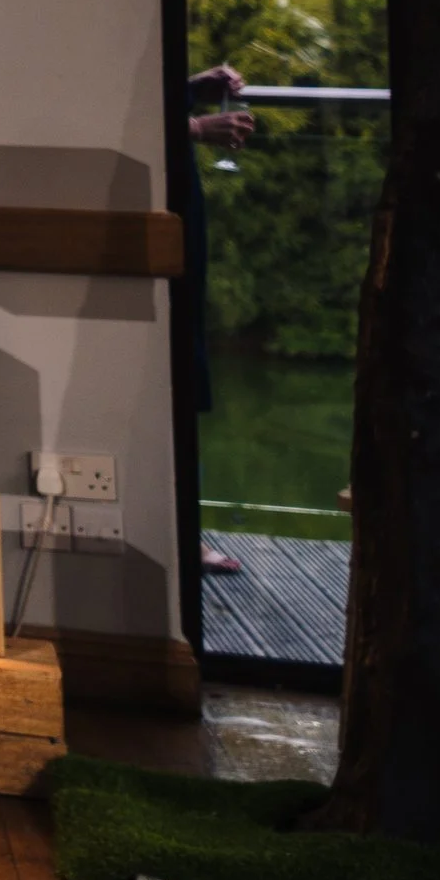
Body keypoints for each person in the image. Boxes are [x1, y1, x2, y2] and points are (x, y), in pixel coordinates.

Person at [183, 61, 254, 575]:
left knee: (183, 366)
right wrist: (196, 127)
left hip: (179, 214)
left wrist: (188, 91)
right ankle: (184, 539)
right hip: (157, 219)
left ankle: (185, 534)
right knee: (174, 371)